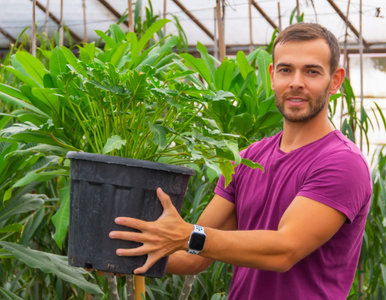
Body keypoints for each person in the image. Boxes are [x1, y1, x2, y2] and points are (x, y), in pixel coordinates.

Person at [109, 22, 372, 299]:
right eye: (285, 70)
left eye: (311, 71)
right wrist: (122, 255)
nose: (296, 82)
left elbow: (285, 249)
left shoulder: (342, 163)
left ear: (335, 80)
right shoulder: (248, 159)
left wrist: (187, 235)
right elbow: (193, 258)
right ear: (272, 76)